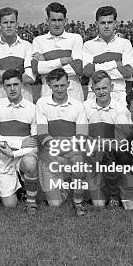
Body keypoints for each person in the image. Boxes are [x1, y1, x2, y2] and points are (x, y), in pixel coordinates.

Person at [0, 69, 39, 215]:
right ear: (3, 87)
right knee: (10, 205)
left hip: (22, 155)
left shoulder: (33, 109)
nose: (12, 88)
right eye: (8, 85)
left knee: (30, 162)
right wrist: (19, 144)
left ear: (22, 84)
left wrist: (16, 153)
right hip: (2, 156)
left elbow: (35, 142)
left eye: (16, 84)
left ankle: (31, 202)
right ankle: (19, 188)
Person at [35, 68, 88, 214]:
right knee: (55, 204)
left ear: (68, 84)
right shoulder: (41, 103)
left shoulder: (78, 105)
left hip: (71, 152)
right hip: (50, 154)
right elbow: (42, 133)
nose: (59, 89)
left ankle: (78, 202)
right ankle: (64, 185)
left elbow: (82, 135)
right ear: (49, 86)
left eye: (63, 85)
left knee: (79, 162)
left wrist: (65, 150)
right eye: (56, 86)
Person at [82, 71, 129, 208]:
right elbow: (82, 136)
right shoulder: (85, 107)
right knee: (98, 204)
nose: (101, 92)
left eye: (104, 88)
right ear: (92, 90)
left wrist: (105, 146)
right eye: (97, 89)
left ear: (112, 87)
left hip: (113, 154)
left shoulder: (121, 110)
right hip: (92, 154)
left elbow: (123, 142)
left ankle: (114, 195)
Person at [31, 2, 84, 101]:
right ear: (47, 21)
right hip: (48, 93)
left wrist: (46, 62)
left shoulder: (76, 38)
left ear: (66, 21)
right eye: (53, 20)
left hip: (73, 93)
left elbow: (77, 68)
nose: (57, 24)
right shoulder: (38, 40)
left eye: (60, 20)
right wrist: (62, 61)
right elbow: (36, 68)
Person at [83, 5, 133, 106]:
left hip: (118, 94)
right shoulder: (88, 45)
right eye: (102, 23)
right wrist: (116, 63)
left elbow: (128, 72)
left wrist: (96, 68)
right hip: (95, 94)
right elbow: (87, 71)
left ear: (115, 23)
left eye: (109, 22)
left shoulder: (125, 43)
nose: (106, 26)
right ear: (97, 24)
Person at [0, 7, 35, 102]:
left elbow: (30, 77)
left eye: (12, 22)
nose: (9, 26)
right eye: (5, 23)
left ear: (17, 24)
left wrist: (0, 72)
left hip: (25, 101)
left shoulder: (27, 46)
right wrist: (19, 71)